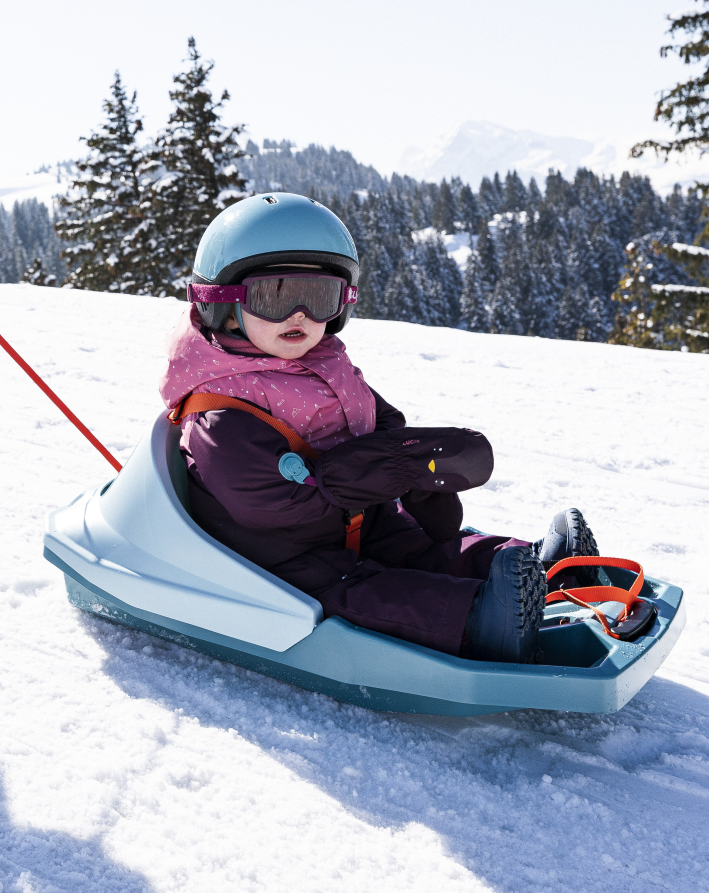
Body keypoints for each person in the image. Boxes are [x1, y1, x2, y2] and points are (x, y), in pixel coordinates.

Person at [164, 193, 600, 664]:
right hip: (282, 558)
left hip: (361, 521)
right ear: (225, 305)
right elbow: (269, 503)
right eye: (276, 296)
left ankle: (542, 568)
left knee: (422, 545)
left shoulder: (323, 366)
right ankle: (478, 619)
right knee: (360, 592)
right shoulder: (219, 409)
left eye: (320, 297)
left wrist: (415, 472)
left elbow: (377, 419)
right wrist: (379, 473)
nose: (301, 315)